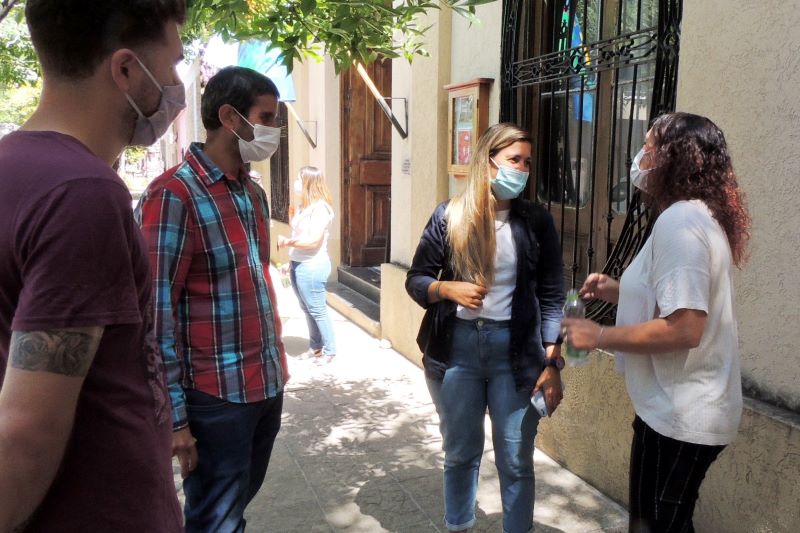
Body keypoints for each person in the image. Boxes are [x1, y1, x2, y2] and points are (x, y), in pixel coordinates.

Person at [0, 1, 186, 531]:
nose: (176, 86)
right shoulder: (82, 193)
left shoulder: (14, 166)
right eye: (172, 65)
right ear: (126, 69)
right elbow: (26, 434)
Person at [562, 112, 751, 532]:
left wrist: (600, 334)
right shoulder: (696, 216)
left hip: (684, 414)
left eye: (648, 146)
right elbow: (677, 301)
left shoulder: (681, 222)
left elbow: (685, 327)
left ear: (673, 157)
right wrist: (618, 291)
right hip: (671, 409)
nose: (640, 156)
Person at [135, 66, 289, 532]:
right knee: (214, 520)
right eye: (266, 117)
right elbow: (154, 315)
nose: (274, 130)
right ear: (229, 117)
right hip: (214, 396)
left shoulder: (253, 193)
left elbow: (254, 281)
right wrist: (175, 419)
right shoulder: (173, 195)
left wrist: (278, 368)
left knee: (234, 509)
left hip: (264, 384)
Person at [406, 123, 566, 533]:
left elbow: (552, 295)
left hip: (515, 353)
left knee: (516, 459)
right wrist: (446, 288)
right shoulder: (449, 216)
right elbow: (416, 279)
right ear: (488, 162)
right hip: (456, 351)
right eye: (514, 160)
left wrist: (552, 360)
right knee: (460, 453)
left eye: (527, 162)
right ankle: (458, 525)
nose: (522, 169)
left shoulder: (536, 221)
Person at [277, 166, 337, 362]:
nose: (296, 183)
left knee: (317, 310)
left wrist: (287, 242)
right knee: (307, 308)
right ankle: (315, 347)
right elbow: (300, 233)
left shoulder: (320, 209)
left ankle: (330, 351)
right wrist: (290, 261)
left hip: (312, 266)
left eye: (299, 179)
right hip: (299, 264)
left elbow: (312, 241)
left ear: (309, 183)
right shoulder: (304, 207)